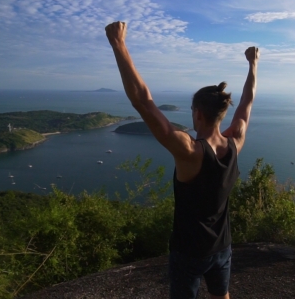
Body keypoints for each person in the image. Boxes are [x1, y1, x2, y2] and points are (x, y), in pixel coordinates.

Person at [105, 21, 259, 299]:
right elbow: (247, 104)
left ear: (197, 114)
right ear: (221, 114)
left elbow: (143, 101)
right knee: (221, 296)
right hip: (222, 247)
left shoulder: (190, 151)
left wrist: (119, 44)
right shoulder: (236, 142)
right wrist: (253, 65)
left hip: (188, 252)